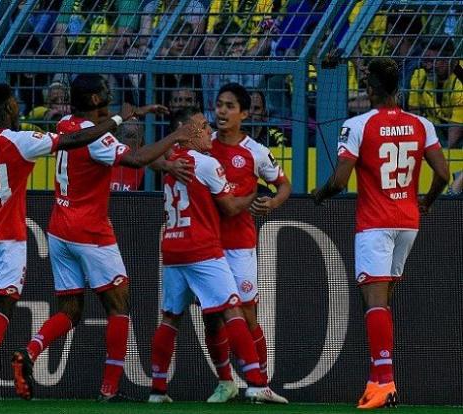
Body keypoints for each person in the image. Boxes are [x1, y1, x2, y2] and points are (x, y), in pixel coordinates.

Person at [0, 83, 139, 403]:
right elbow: (75, 139)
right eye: (16, 103)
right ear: (8, 108)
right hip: (8, 236)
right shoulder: (21, 141)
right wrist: (118, 120)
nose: (19, 108)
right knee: (3, 308)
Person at [12, 74, 195, 401]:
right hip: (90, 231)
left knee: (70, 309)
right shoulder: (98, 140)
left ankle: (30, 351)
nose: (110, 94)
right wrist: (177, 134)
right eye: (105, 92)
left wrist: (134, 113)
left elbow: (111, 133)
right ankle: (109, 389)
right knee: (119, 305)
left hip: (59, 228)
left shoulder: (68, 123)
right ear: (96, 100)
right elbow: (136, 159)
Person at [313, 58, 449, 409]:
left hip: (375, 224)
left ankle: (386, 383)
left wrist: (320, 194)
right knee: (382, 301)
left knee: (374, 301)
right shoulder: (422, 124)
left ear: (371, 90)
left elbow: (341, 181)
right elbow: (444, 174)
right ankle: (376, 378)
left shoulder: (358, 125)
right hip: (408, 222)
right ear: (397, 89)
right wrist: (427, 202)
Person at [148, 108, 287, 404]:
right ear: (187, 131)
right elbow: (231, 208)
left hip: (173, 247)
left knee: (170, 317)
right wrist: (254, 192)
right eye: (201, 126)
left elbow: (146, 158)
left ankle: (158, 390)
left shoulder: (170, 161)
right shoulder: (207, 164)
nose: (209, 129)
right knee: (232, 310)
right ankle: (256, 383)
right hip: (203, 249)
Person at [202, 83, 291, 403]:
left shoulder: (255, 152)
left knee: (246, 314)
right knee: (212, 316)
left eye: (229, 106)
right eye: (219, 105)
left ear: (244, 113)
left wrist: (272, 204)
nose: (222, 111)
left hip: (239, 244)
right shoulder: (204, 145)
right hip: (207, 245)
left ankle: (261, 383)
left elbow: (283, 185)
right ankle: (225, 381)